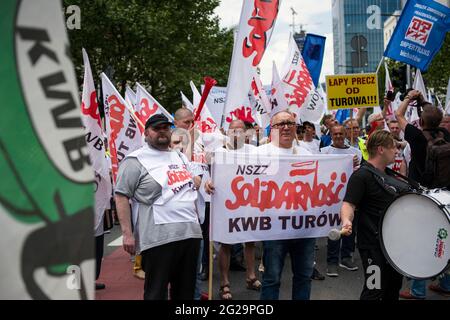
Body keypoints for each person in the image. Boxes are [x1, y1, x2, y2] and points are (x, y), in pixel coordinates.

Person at [115, 114, 202, 300]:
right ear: (146, 133)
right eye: (157, 128)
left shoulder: (178, 156)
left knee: (185, 294)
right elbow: (121, 195)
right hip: (158, 240)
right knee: (156, 293)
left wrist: (199, 178)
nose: (162, 131)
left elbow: (193, 182)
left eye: (166, 127)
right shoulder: (135, 160)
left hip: (190, 234)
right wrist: (127, 234)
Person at [340, 130, 411, 300]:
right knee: (374, 289)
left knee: (393, 289)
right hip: (372, 245)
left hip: (394, 244)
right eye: (393, 147)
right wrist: (346, 221)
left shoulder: (389, 174)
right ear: (381, 149)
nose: (396, 151)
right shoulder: (361, 176)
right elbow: (348, 204)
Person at [395, 90, 450, 299]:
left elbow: (398, 115)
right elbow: (431, 116)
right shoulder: (445, 135)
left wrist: (409, 98)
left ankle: (418, 289)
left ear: (420, 120)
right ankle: (446, 283)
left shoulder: (416, 137)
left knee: (423, 240)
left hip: (424, 196)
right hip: (445, 194)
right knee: (444, 235)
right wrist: (423, 103)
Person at [209, 120, 260, 300]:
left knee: (250, 240)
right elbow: (209, 175)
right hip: (226, 203)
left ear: (246, 133)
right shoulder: (219, 152)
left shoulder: (255, 151)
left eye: (240, 130)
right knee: (226, 243)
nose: (236, 132)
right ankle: (224, 284)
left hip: (249, 202)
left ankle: (251, 276)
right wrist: (208, 184)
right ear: (227, 132)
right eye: (232, 130)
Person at [320, 125, 361, 277]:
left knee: (350, 228)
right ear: (330, 134)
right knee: (334, 229)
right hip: (331, 198)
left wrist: (356, 164)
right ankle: (331, 261)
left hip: (351, 197)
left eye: (341, 134)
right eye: (335, 133)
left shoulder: (355, 153)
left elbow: (360, 174)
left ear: (345, 134)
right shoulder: (324, 153)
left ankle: (346, 257)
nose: (338, 136)